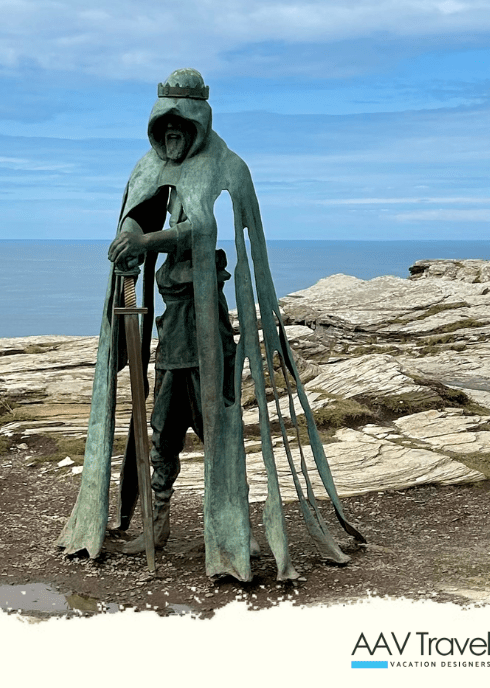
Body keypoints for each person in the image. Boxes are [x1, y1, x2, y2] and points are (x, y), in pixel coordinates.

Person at [57, 68, 363, 581]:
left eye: (181, 127)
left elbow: (201, 227)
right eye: (165, 128)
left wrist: (147, 242)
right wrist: (130, 234)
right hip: (172, 329)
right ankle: (156, 526)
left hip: (208, 331)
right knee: (162, 432)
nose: (172, 137)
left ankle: (232, 528)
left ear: (197, 123)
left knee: (218, 430)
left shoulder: (226, 166)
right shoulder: (147, 166)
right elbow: (141, 211)